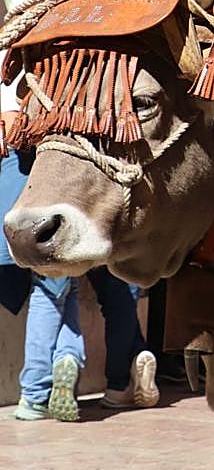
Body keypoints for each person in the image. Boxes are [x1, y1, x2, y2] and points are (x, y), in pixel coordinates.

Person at [3, 74, 85, 422]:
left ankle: (67, 357)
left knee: (65, 291)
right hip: (46, 216)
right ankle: (35, 390)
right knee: (50, 294)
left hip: (11, 216)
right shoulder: (50, 97)